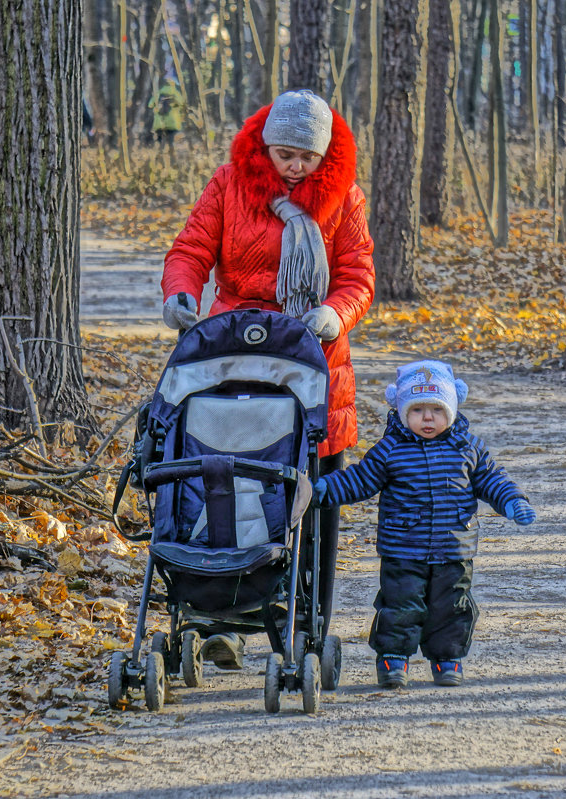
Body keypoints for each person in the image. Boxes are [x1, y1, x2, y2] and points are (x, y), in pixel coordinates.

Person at [161, 89, 376, 670]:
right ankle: (216, 618)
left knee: (308, 497)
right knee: (223, 481)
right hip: (235, 358)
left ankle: (306, 623)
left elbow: (358, 274)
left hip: (314, 364)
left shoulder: (343, 198)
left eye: (306, 157)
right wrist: (181, 292)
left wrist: (336, 312)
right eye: (285, 153)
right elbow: (192, 247)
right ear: (265, 143)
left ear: (324, 154)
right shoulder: (230, 183)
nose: (295, 166)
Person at [314, 360, 535, 689]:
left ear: (452, 409)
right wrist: (327, 489)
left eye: (436, 409)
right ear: (403, 412)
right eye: (417, 410)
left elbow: (492, 480)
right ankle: (393, 658)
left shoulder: (467, 448)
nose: (427, 418)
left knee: (453, 607)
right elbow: (360, 479)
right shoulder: (391, 450)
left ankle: (447, 658)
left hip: (454, 547)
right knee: (400, 606)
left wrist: (513, 501)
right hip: (403, 548)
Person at [149, 78, 184, 155]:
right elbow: (182, 104)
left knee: (160, 143)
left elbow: (150, 104)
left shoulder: (158, 93)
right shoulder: (175, 93)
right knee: (171, 142)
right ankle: (172, 158)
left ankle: (159, 159)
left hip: (160, 123)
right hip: (173, 123)